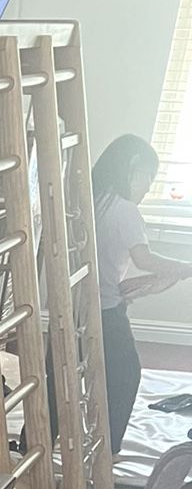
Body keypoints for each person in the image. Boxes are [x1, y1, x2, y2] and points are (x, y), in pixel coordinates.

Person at [92, 135, 192, 452]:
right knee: (127, 374)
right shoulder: (125, 211)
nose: (148, 188)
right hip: (105, 310)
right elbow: (144, 260)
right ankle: (108, 447)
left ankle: (31, 439)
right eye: (148, 178)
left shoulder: (93, 200)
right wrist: (185, 267)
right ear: (132, 169)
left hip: (77, 303)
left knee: (59, 371)